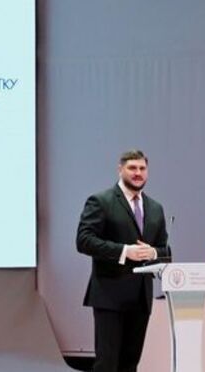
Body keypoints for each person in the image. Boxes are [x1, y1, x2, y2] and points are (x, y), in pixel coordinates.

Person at [76, 150, 171, 372]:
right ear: (120, 170)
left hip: (140, 298)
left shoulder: (155, 208)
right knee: (107, 364)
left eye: (142, 168)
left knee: (130, 364)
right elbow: (84, 240)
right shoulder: (101, 201)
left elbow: (165, 250)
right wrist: (124, 251)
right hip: (109, 295)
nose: (138, 173)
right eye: (132, 168)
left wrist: (154, 253)